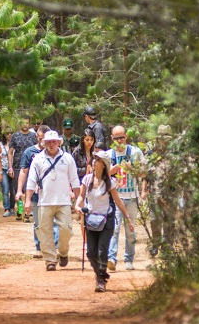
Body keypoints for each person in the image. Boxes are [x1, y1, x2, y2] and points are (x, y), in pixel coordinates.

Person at [75, 150, 134, 292]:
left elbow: (118, 201)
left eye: (98, 159)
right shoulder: (87, 179)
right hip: (91, 219)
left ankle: (100, 280)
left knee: (102, 251)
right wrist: (77, 206)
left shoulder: (110, 183)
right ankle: (101, 273)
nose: (95, 161)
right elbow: (81, 196)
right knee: (90, 253)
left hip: (106, 220)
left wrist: (128, 218)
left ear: (104, 164)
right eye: (94, 159)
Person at [25, 130, 81, 271]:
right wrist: (27, 200)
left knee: (65, 229)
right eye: (48, 142)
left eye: (54, 142)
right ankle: (50, 259)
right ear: (44, 143)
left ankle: (63, 252)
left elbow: (74, 180)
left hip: (64, 201)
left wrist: (79, 201)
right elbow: (31, 181)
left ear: (59, 142)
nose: (51, 144)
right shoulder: (37, 159)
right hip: (44, 201)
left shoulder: (67, 158)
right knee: (44, 231)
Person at [107, 125, 146, 271]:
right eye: (116, 138)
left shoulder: (135, 152)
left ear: (126, 137)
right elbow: (100, 176)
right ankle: (111, 258)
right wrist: (111, 171)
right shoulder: (108, 154)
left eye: (121, 137)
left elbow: (144, 174)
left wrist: (132, 168)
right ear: (112, 139)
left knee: (130, 230)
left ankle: (129, 259)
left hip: (131, 197)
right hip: (116, 198)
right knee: (114, 229)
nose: (119, 141)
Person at [17, 126, 60, 257]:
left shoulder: (59, 153)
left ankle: (55, 246)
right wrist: (20, 190)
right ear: (37, 137)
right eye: (41, 139)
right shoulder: (29, 152)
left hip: (52, 192)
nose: (44, 142)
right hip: (35, 192)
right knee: (38, 221)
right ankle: (39, 247)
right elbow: (24, 171)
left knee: (54, 221)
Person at [146, 124, 174, 257]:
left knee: (169, 220)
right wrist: (144, 188)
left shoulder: (175, 155)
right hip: (154, 192)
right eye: (162, 138)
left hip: (170, 192)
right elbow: (146, 172)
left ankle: (167, 247)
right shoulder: (152, 153)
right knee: (154, 219)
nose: (164, 141)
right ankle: (155, 244)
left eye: (167, 138)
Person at [8, 117, 37, 220]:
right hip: (17, 166)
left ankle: (27, 213)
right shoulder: (15, 136)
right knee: (18, 190)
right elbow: (10, 152)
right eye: (23, 123)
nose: (25, 125)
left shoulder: (33, 136)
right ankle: (20, 211)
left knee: (29, 190)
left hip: (31, 166)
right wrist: (10, 167)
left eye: (27, 123)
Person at [0, 132, 13, 217]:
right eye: (7, 133)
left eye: (11, 133)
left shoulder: (15, 143)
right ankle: (7, 208)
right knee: (5, 189)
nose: (9, 134)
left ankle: (12, 207)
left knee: (13, 190)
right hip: (4, 169)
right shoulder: (0, 145)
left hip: (14, 169)